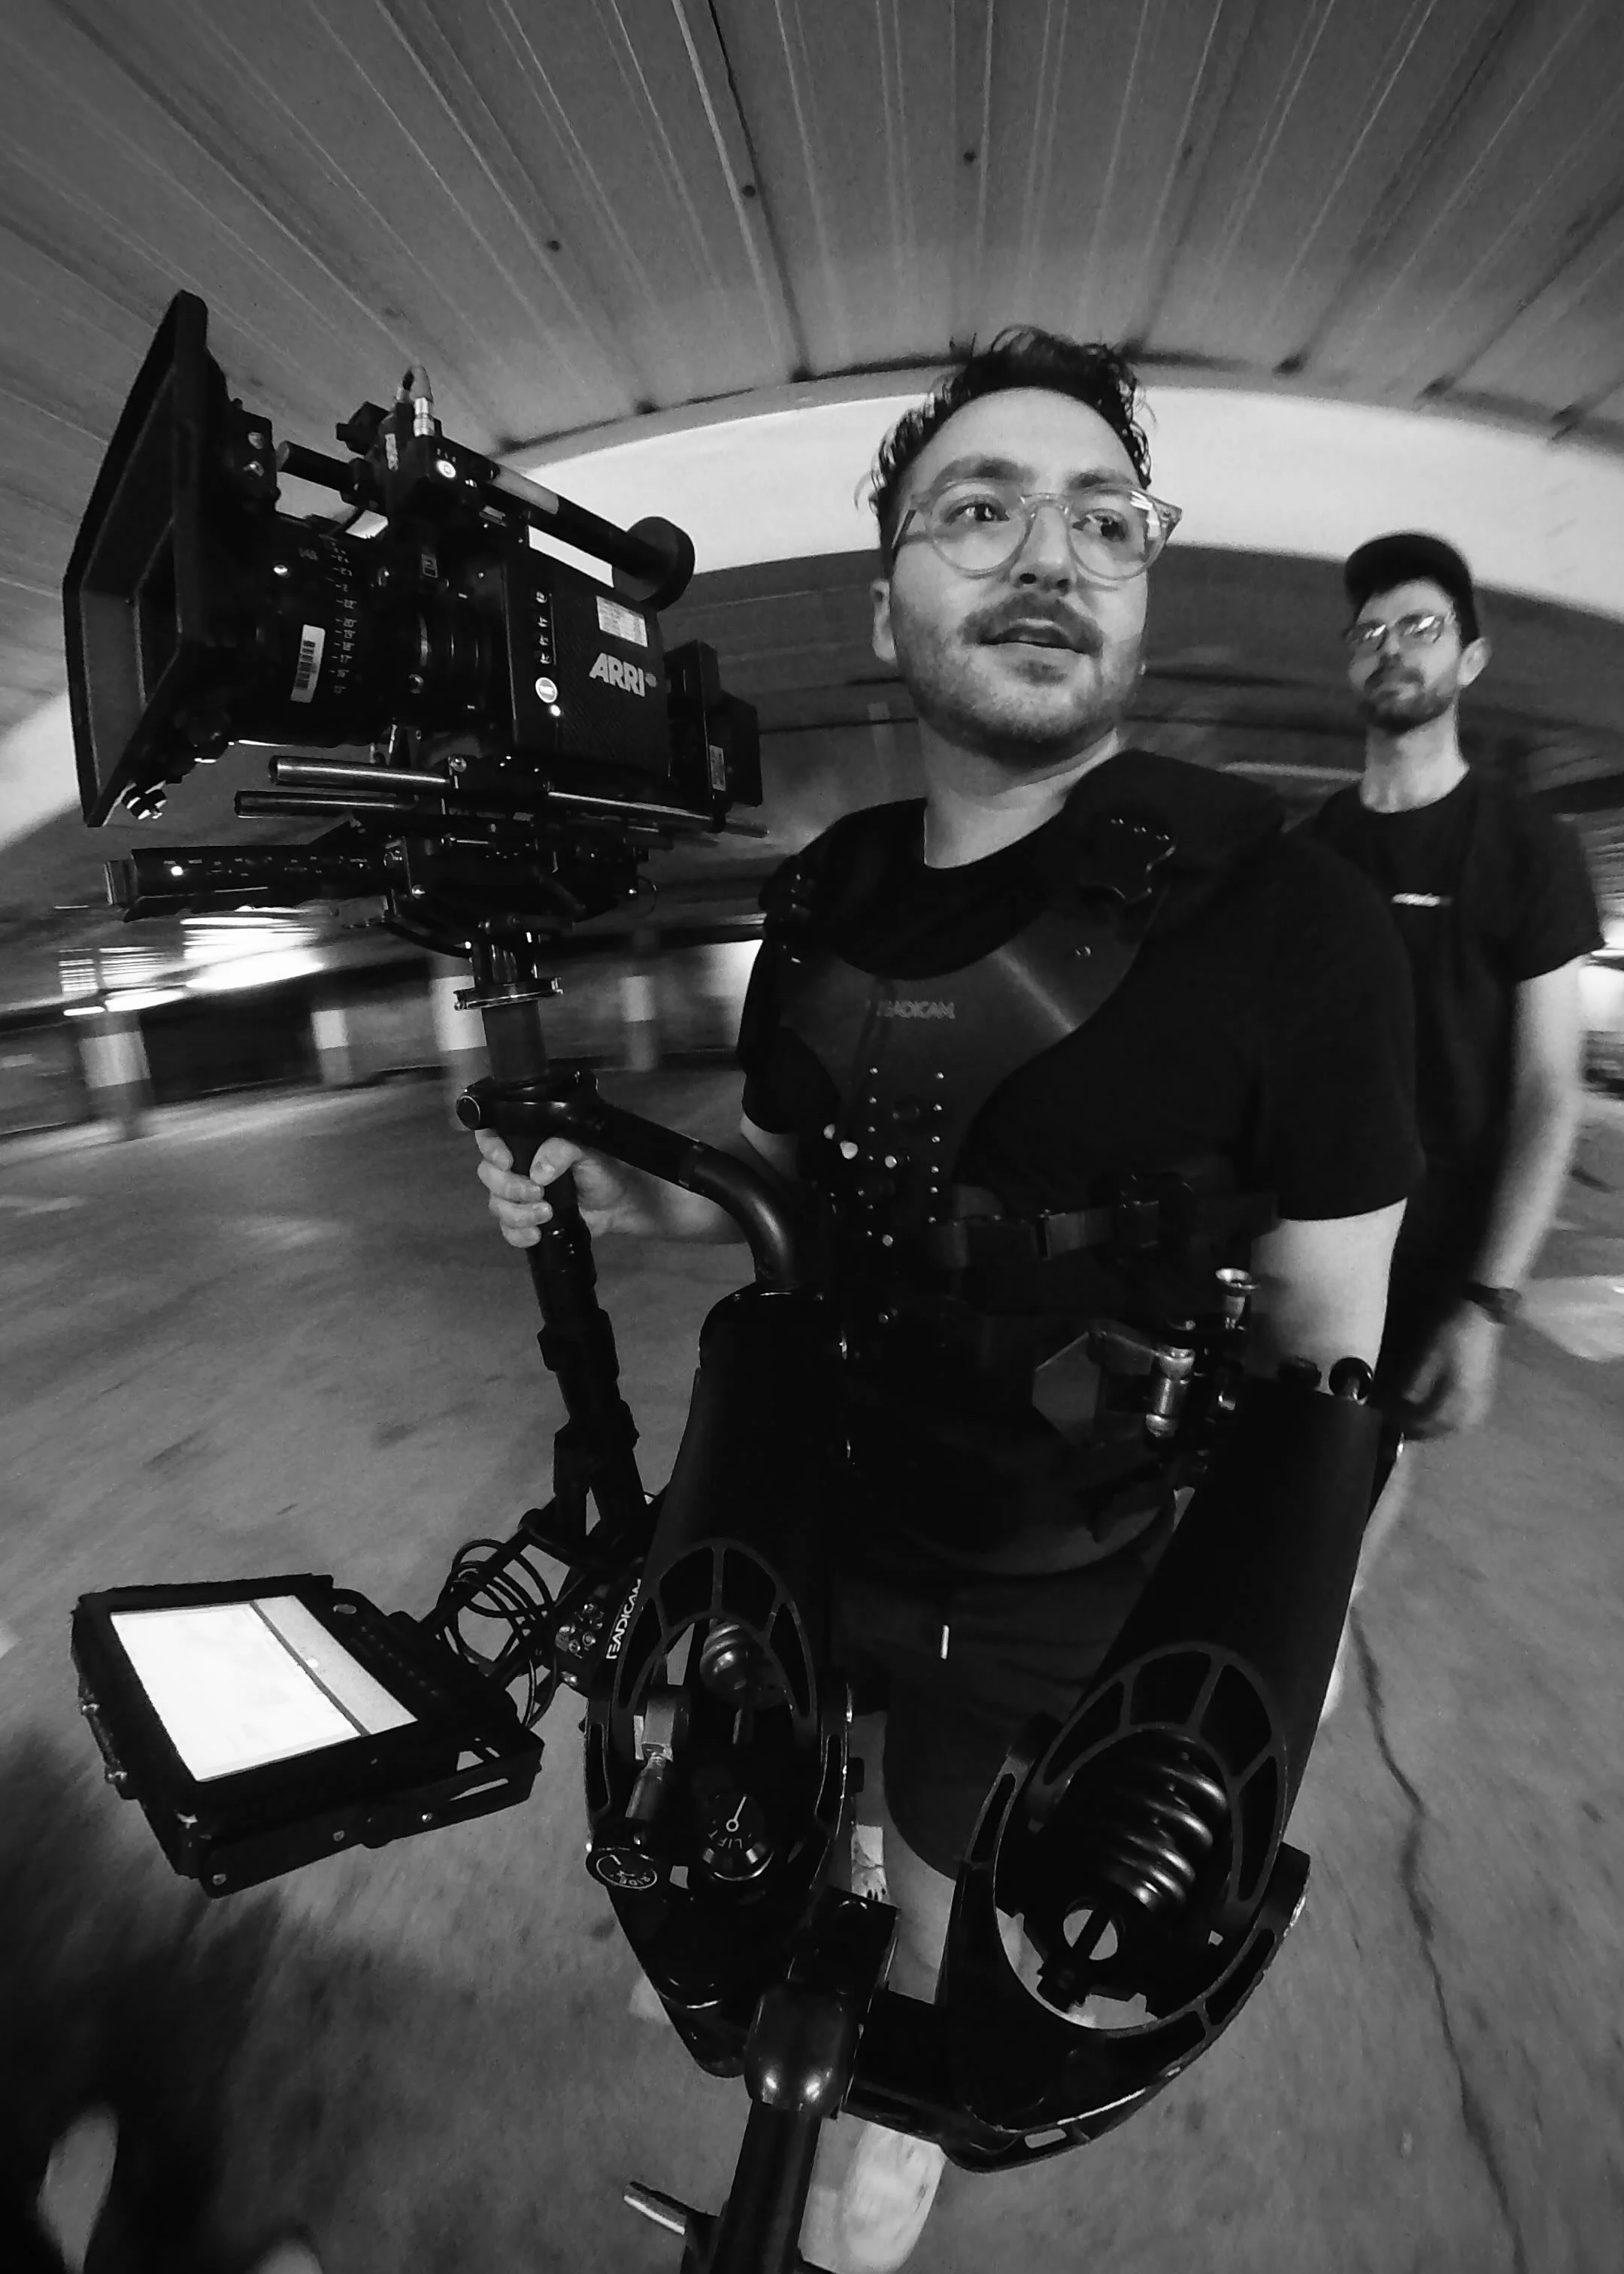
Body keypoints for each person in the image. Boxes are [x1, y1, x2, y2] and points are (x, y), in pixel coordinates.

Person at [474, 329, 1421, 2272]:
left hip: (1079, 1569)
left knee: (951, 1875)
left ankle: (885, 2120)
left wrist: (1290, 1625)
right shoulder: (822, 898)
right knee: (763, 1815)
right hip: (807, 1509)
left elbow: (1336, 1348)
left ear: (1146, 576)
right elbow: (788, 1173)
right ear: (884, 598)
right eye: (975, 512)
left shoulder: (1295, 920)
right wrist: (605, 1176)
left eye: (1103, 518)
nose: (1047, 555)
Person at [1301, 534, 1601, 1635]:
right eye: (1371, 633)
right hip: (1313, 1223)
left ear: (1470, 659)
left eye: (1421, 627)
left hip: (1437, 1241)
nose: (1393, 649)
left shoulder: (1528, 850)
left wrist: (1487, 1304)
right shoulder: (1314, 849)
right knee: (1285, 1443)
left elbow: (1546, 1093)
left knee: (1371, 1450)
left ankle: (1326, 1622)